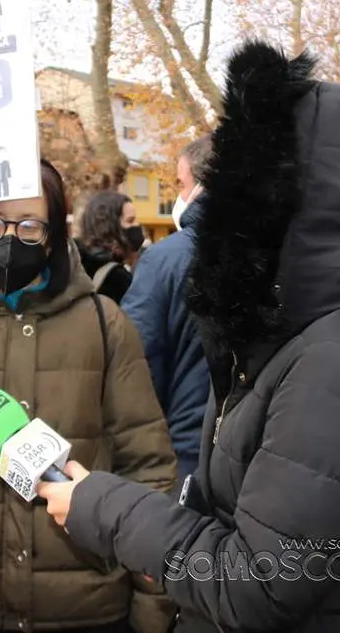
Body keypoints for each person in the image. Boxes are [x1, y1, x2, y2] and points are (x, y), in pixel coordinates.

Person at [37, 40, 340, 633]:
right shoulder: (291, 330)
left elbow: (261, 583)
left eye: (244, 178)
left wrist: (103, 507)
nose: (219, 203)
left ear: (305, 198)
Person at [0, 160, 178, 633]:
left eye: (28, 225)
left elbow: (148, 466)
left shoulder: (104, 324)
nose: (8, 238)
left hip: (89, 606)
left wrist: (152, 607)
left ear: (51, 235)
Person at [120, 135, 213, 484]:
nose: (178, 195)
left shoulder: (164, 260)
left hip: (187, 454)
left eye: (181, 184)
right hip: (261, 452)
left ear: (203, 184)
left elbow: (136, 363)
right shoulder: (281, 253)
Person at [74, 190, 141, 304]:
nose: (137, 225)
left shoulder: (71, 264)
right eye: (130, 221)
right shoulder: (117, 279)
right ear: (110, 226)